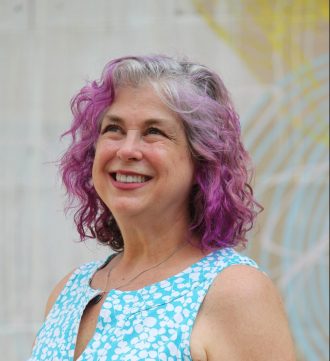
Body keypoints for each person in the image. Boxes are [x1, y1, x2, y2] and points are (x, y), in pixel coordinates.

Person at [28, 54, 296, 361]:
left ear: (203, 160)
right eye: (113, 129)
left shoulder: (234, 292)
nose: (127, 149)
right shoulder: (68, 291)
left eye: (153, 132)